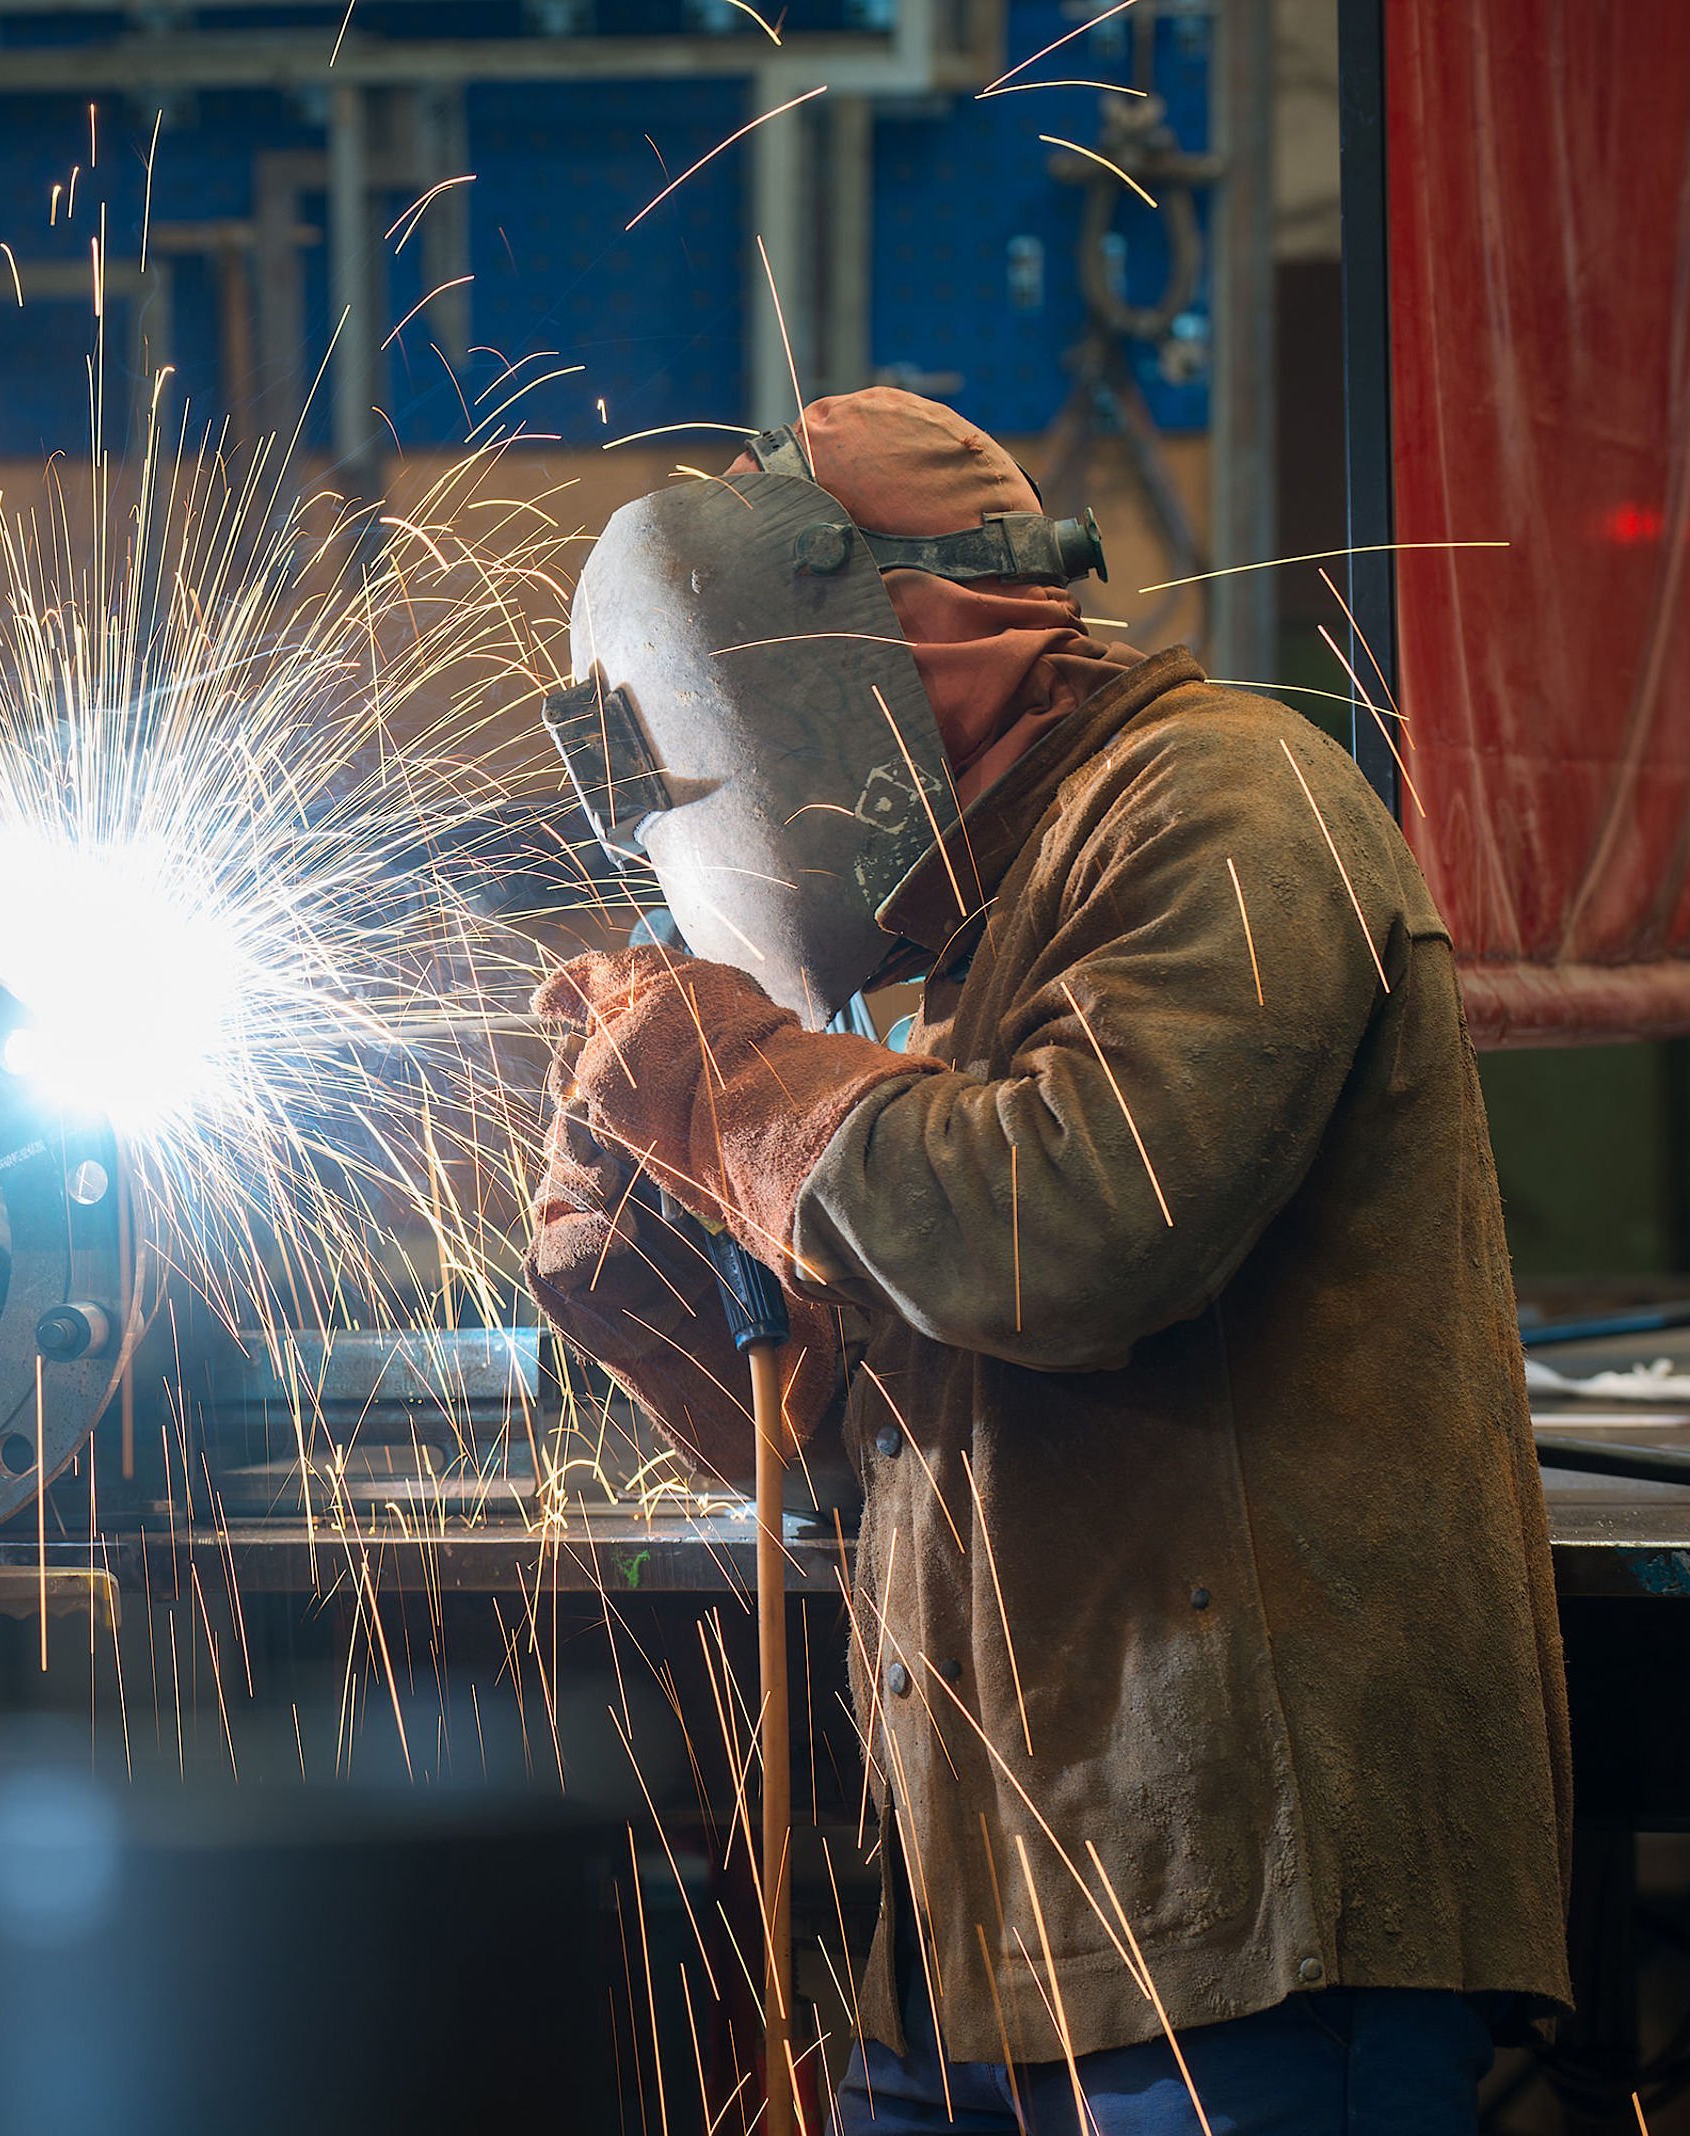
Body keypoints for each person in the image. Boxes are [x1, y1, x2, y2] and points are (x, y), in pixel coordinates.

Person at [526, 389, 1568, 2133]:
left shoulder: (1226, 806)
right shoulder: (946, 931)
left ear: (922, 628)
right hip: (984, 1922)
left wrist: (738, 1091)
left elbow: (1070, 1236)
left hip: (1242, 1912)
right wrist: (643, 1235)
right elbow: (840, 1456)